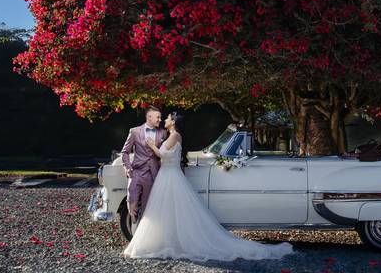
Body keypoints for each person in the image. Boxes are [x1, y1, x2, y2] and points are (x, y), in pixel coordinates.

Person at [122, 111, 295, 262]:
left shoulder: (175, 136)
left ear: (173, 122)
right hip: (167, 176)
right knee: (166, 211)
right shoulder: (172, 136)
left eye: (167, 118)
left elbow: (163, 156)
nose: (164, 120)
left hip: (170, 176)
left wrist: (152, 146)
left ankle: (172, 242)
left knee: (169, 210)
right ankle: (166, 241)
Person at [118, 106, 169, 233]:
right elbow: (125, 152)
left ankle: (144, 234)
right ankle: (134, 223)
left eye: (160, 117)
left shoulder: (163, 133)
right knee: (132, 202)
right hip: (136, 172)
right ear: (149, 117)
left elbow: (165, 153)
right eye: (157, 117)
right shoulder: (134, 131)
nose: (160, 120)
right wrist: (127, 167)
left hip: (153, 174)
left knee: (148, 207)